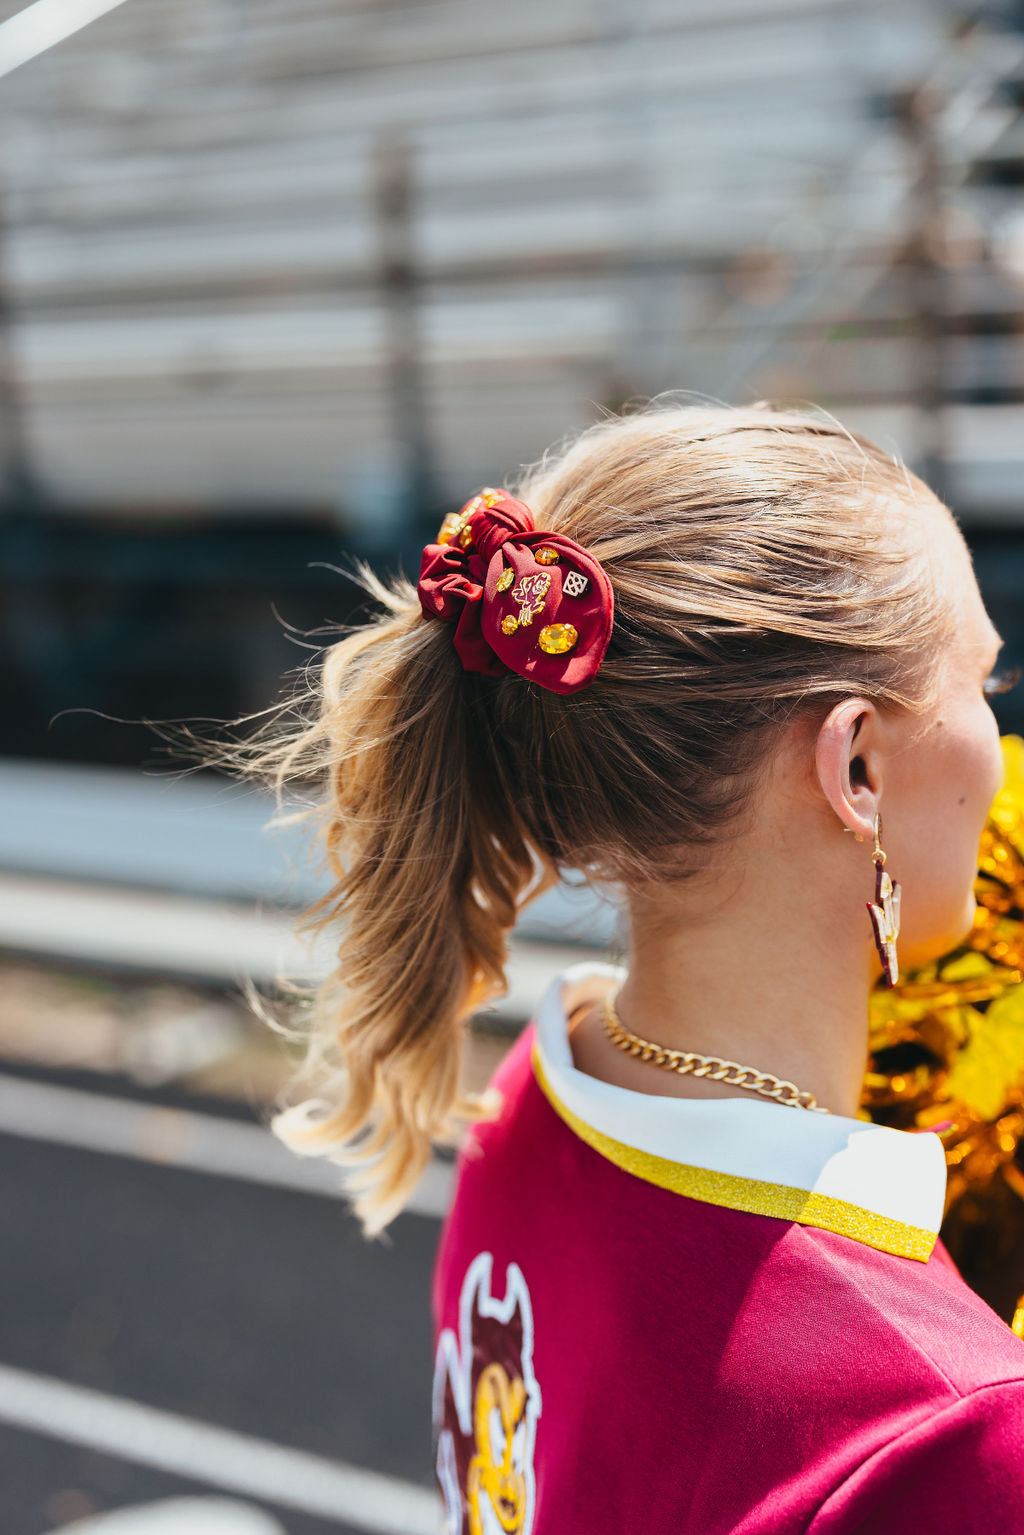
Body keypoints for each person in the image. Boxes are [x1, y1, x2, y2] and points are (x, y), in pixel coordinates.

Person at [244, 403, 1024, 1533]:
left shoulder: (535, 1097)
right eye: (982, 687)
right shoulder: (946, 1425)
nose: (999, 760)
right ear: (855, 764)